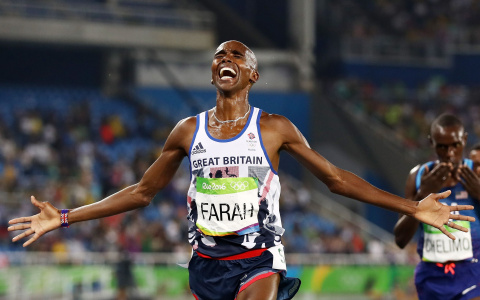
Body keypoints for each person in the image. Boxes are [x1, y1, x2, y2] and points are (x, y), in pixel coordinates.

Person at [8, 41, 475, 300]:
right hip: (206, 264)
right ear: (213, 73)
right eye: (220, 56)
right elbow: (141, 192)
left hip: (259, 260)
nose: (225, 60)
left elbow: (336, 179)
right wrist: (65, 217)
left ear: (252, 75)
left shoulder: (274, 128)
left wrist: (414, 206)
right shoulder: (186, 131)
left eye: (237, 56)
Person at [394, 113, 480, 300]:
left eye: (455, 145)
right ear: (431, 142)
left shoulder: (476, 171)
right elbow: (400, 239)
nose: (449, 153)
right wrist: (421, 196)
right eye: (442, 146)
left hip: (474, 273)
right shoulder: (418, 177)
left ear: (464, 140)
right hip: (433, 280)